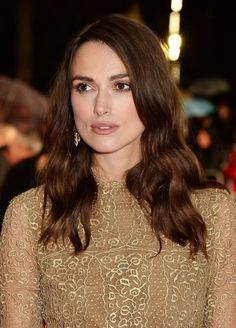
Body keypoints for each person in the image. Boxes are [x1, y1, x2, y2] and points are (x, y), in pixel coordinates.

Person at [0, 14, 235, 328]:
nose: (100, 106)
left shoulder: (211, 213)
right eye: (84, 87)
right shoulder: (31, 215)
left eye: (121, 85)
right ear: (69, 99)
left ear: (152, 94)